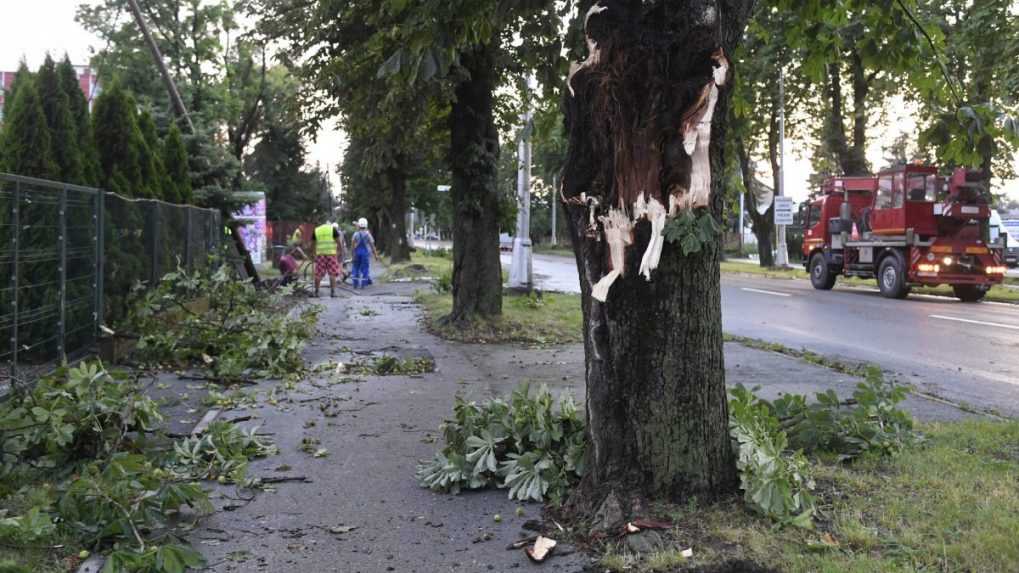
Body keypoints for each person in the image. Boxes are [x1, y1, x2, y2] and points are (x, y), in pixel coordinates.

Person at [312, 220, 344, 297]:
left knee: (318, 273)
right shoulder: (333, 229)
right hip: (331, 254)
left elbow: (312, 244)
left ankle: (316, 292)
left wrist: (313, 254)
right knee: (332, 273)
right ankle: (333, 292)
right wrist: (339, 252)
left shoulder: (316, 230)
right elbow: (339, 242)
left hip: (320, 255)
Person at [350, 218, 380, 289]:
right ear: (366, 225)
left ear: (359, 225)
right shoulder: (368, 235)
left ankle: (355, 284)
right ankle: (363, 284)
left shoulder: (355, 234)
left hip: (357, 253)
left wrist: (352, 255)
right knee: (365, 268)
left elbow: (352, 246)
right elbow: (372, 246)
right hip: (365, 253)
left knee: (355, 268)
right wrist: (375, 255)